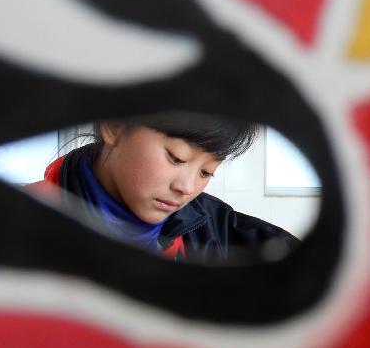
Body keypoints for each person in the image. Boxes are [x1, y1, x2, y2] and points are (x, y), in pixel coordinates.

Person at [28, 112, 299, 263]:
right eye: (176, 158)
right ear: (115, 127)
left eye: (206, 172)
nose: (187, 187)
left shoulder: (214, 233)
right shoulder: (22, 222)